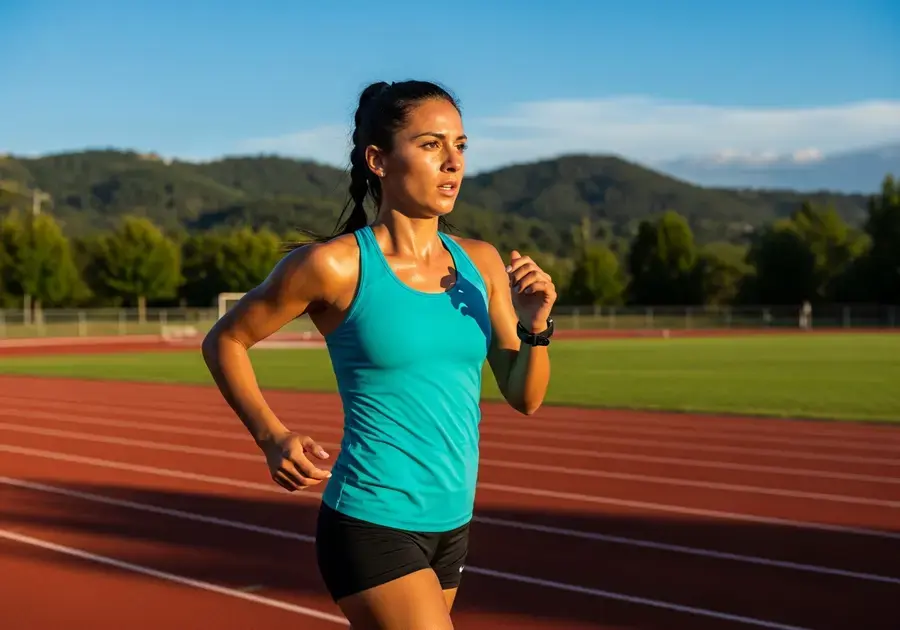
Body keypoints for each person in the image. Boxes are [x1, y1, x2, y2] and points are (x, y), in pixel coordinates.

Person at [201, 79, 556, 629]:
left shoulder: (481, 264)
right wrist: (272, 436)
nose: (452, 163)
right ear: (378, 160)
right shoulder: (335, 266)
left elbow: (525, 396)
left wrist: (536, 328)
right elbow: (225, 339)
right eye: (431, 145)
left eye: (460, 146)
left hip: (452, 523)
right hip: (372, 520)